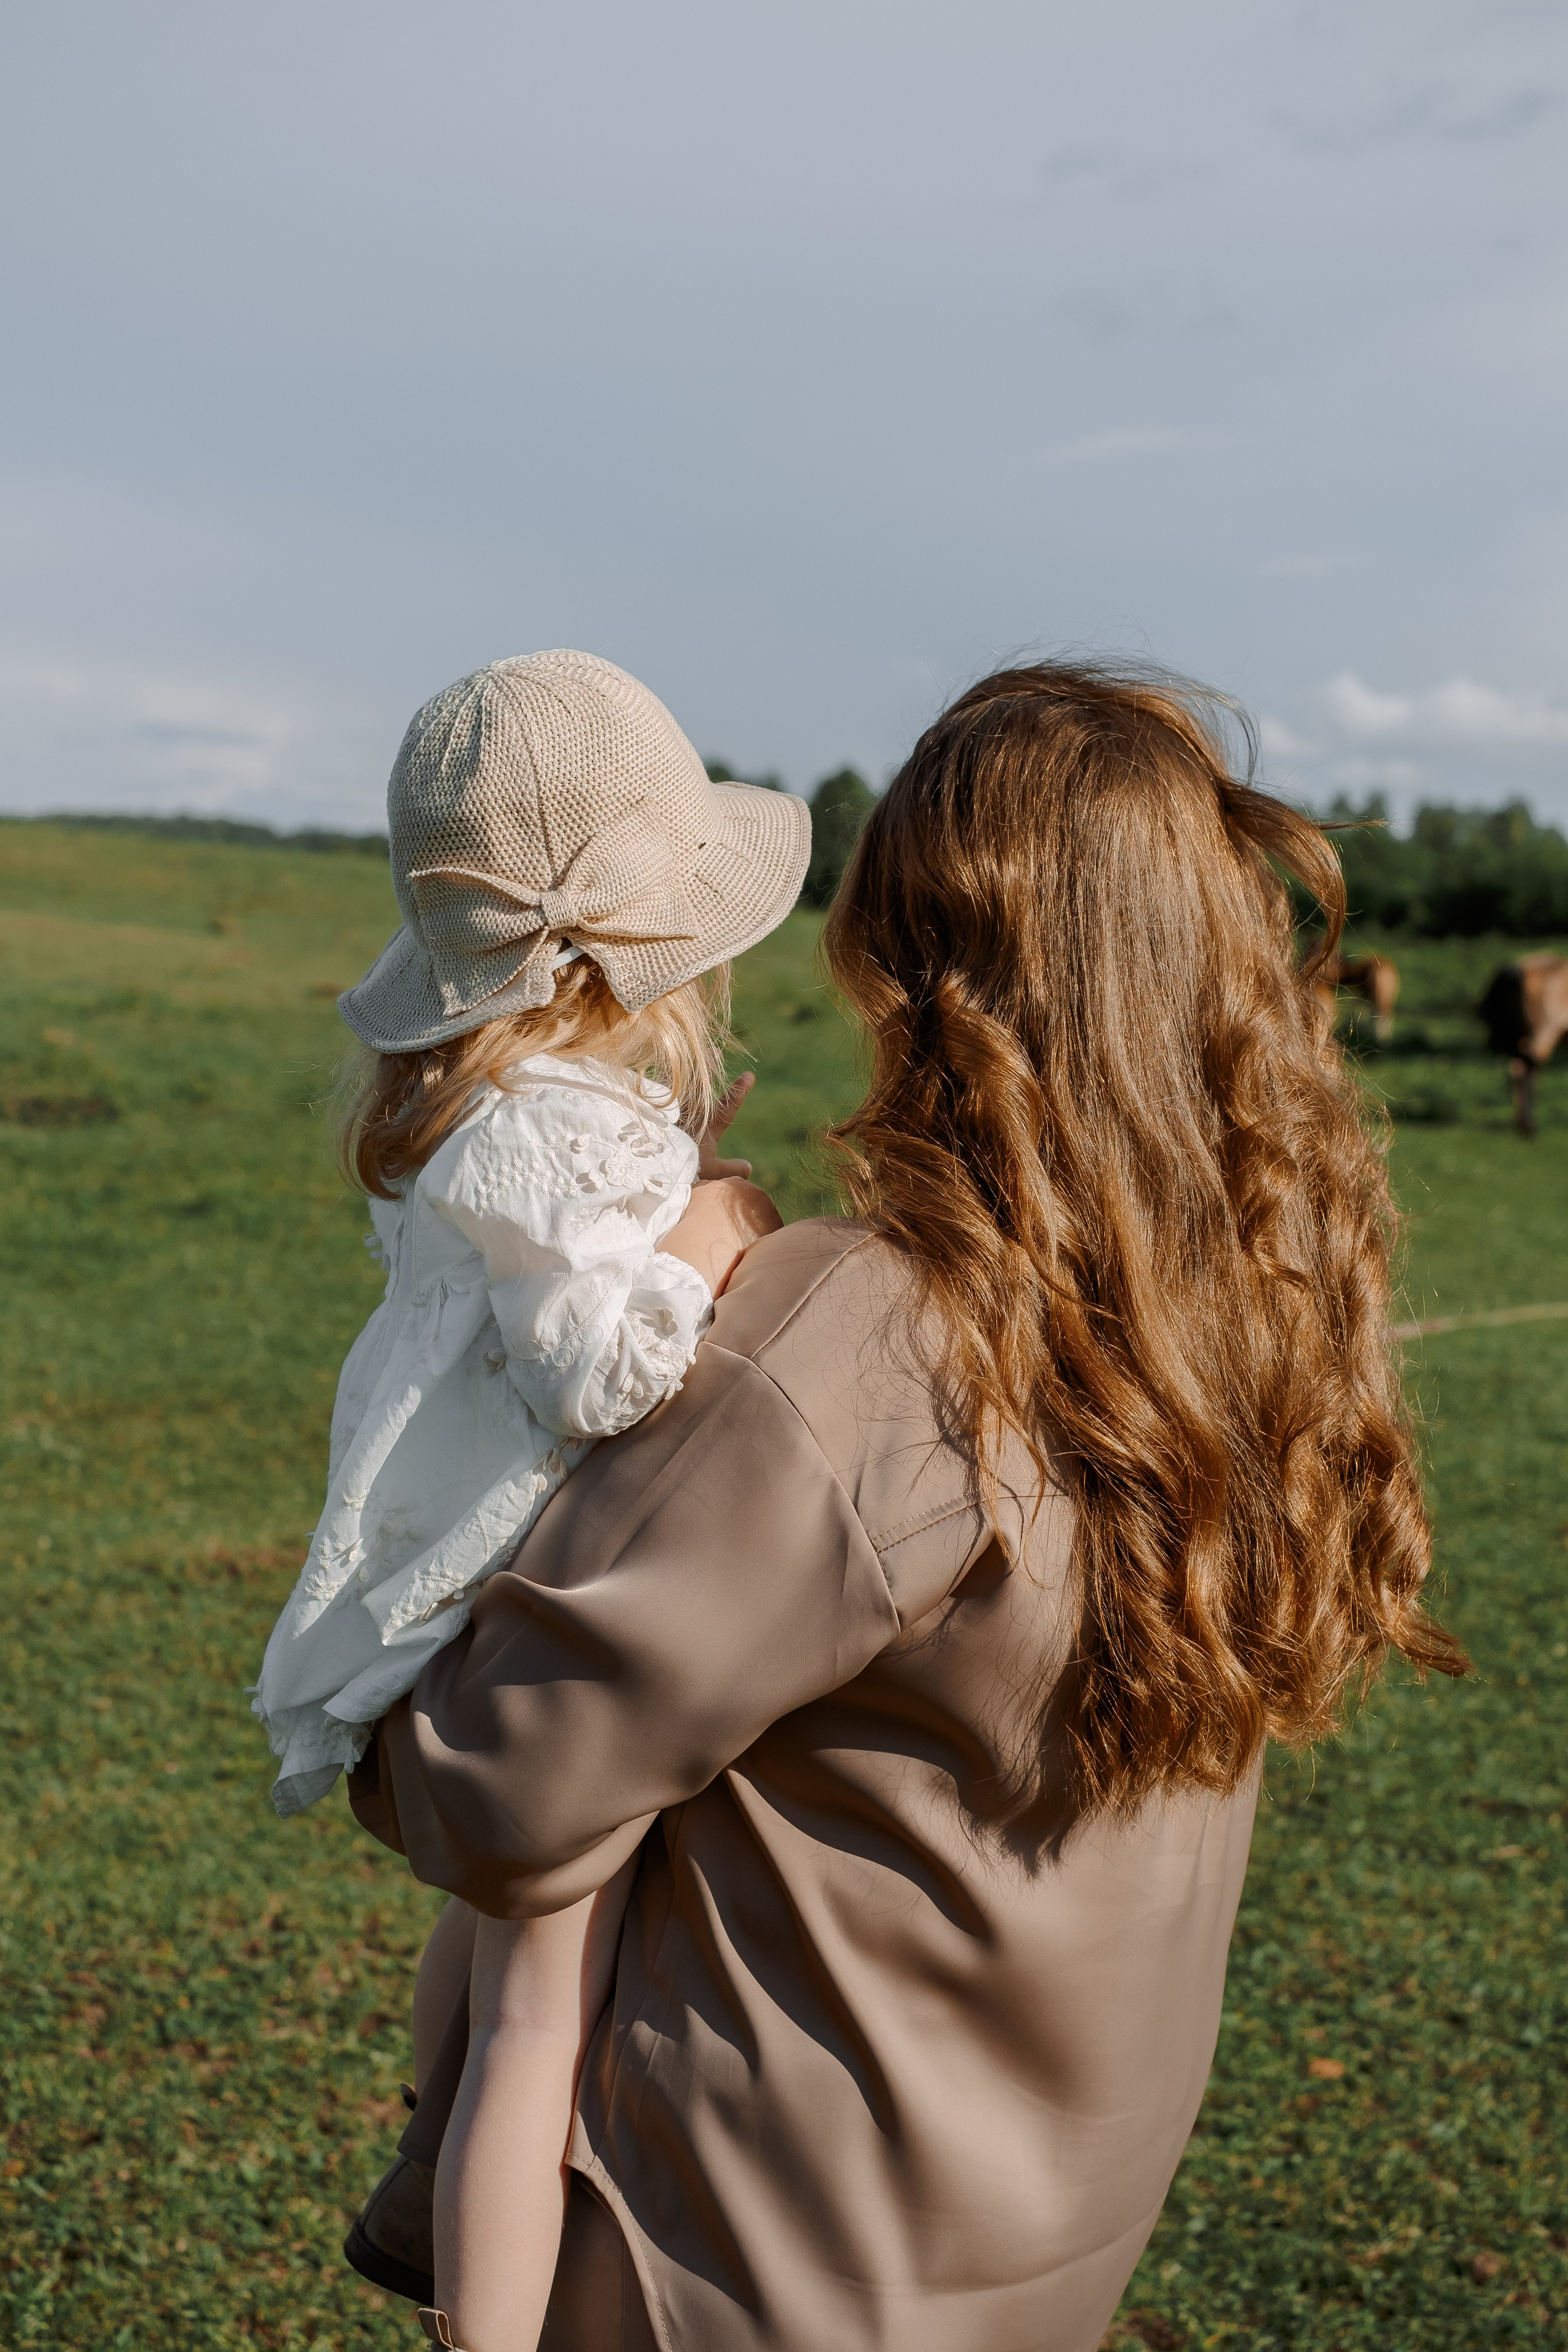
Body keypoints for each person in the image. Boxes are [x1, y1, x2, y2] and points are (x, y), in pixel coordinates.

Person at [346, 660, 1465, 2352]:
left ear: (902, 948)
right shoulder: (1257, 1305)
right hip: (1033, 2273)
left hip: (734, 2266)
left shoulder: (866, 1338)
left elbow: (491, 1787)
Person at [251, 648, 808, 2348]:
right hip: (515, 1591)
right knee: (535, 2021)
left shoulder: (488, 1112)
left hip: (460, 1582)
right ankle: (483, 2312)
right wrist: (710, 1248)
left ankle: (429, 2159)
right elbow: (597, 1375)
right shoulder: (561, 1136)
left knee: (493, 1933)